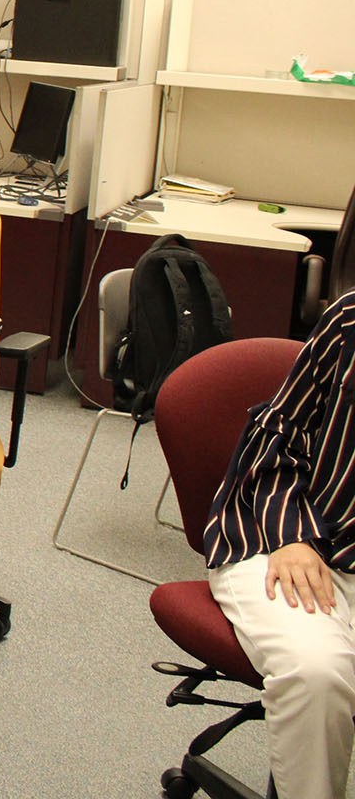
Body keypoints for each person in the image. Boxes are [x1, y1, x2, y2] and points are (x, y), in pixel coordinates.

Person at [203, 292, 355, 799]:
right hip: (286, 534)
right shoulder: (349, 320)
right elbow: (276, 434)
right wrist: (290, 535)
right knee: (316, 673)